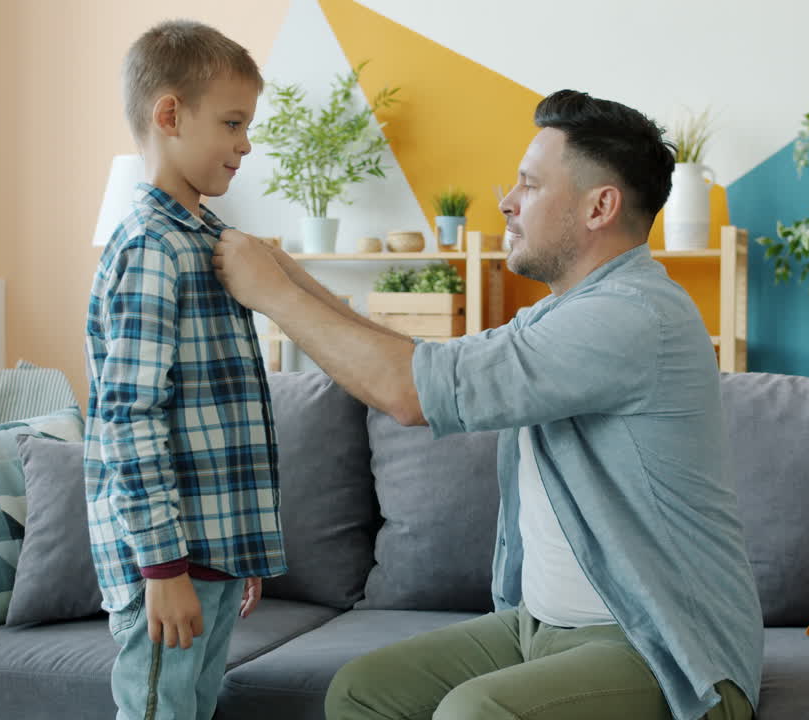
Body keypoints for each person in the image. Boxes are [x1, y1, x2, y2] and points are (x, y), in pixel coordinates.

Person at [212, 89, 762, 720]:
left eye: (529, 184)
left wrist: (273, 297)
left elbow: (412, 393)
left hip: (663, 647)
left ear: (599, 206)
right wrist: (291, 276)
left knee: (476, 714)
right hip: (541, 627)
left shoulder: (629, 316)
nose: (506, 201)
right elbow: (420, 358)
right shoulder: (562, 314)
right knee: (362, 693)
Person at [83, 19, 285, 720]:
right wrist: (163, 569)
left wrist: (239, 551)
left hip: (214, 551)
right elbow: (129, 417)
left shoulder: (210, 244)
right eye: (232, 122)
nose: (245, 143)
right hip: (167, 562)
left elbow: (225, 408)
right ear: (169, 115)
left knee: (193, 708)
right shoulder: (150, 248)